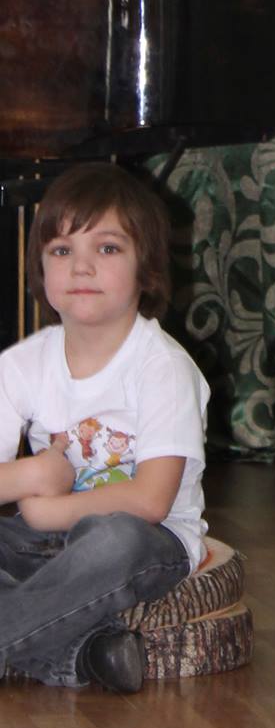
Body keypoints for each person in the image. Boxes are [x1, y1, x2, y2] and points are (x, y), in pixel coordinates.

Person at [0, 164, 208, 694]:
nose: (81, 266)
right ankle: (84, 652)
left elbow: (149, 501)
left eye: (108, 248)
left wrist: (43, 509)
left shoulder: (163, 366)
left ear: (147, 268)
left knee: (111, 538)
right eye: (61, 250)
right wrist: (32, 475)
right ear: (39, 269)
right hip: (42, 545)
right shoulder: (21, 365)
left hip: (148, 543)